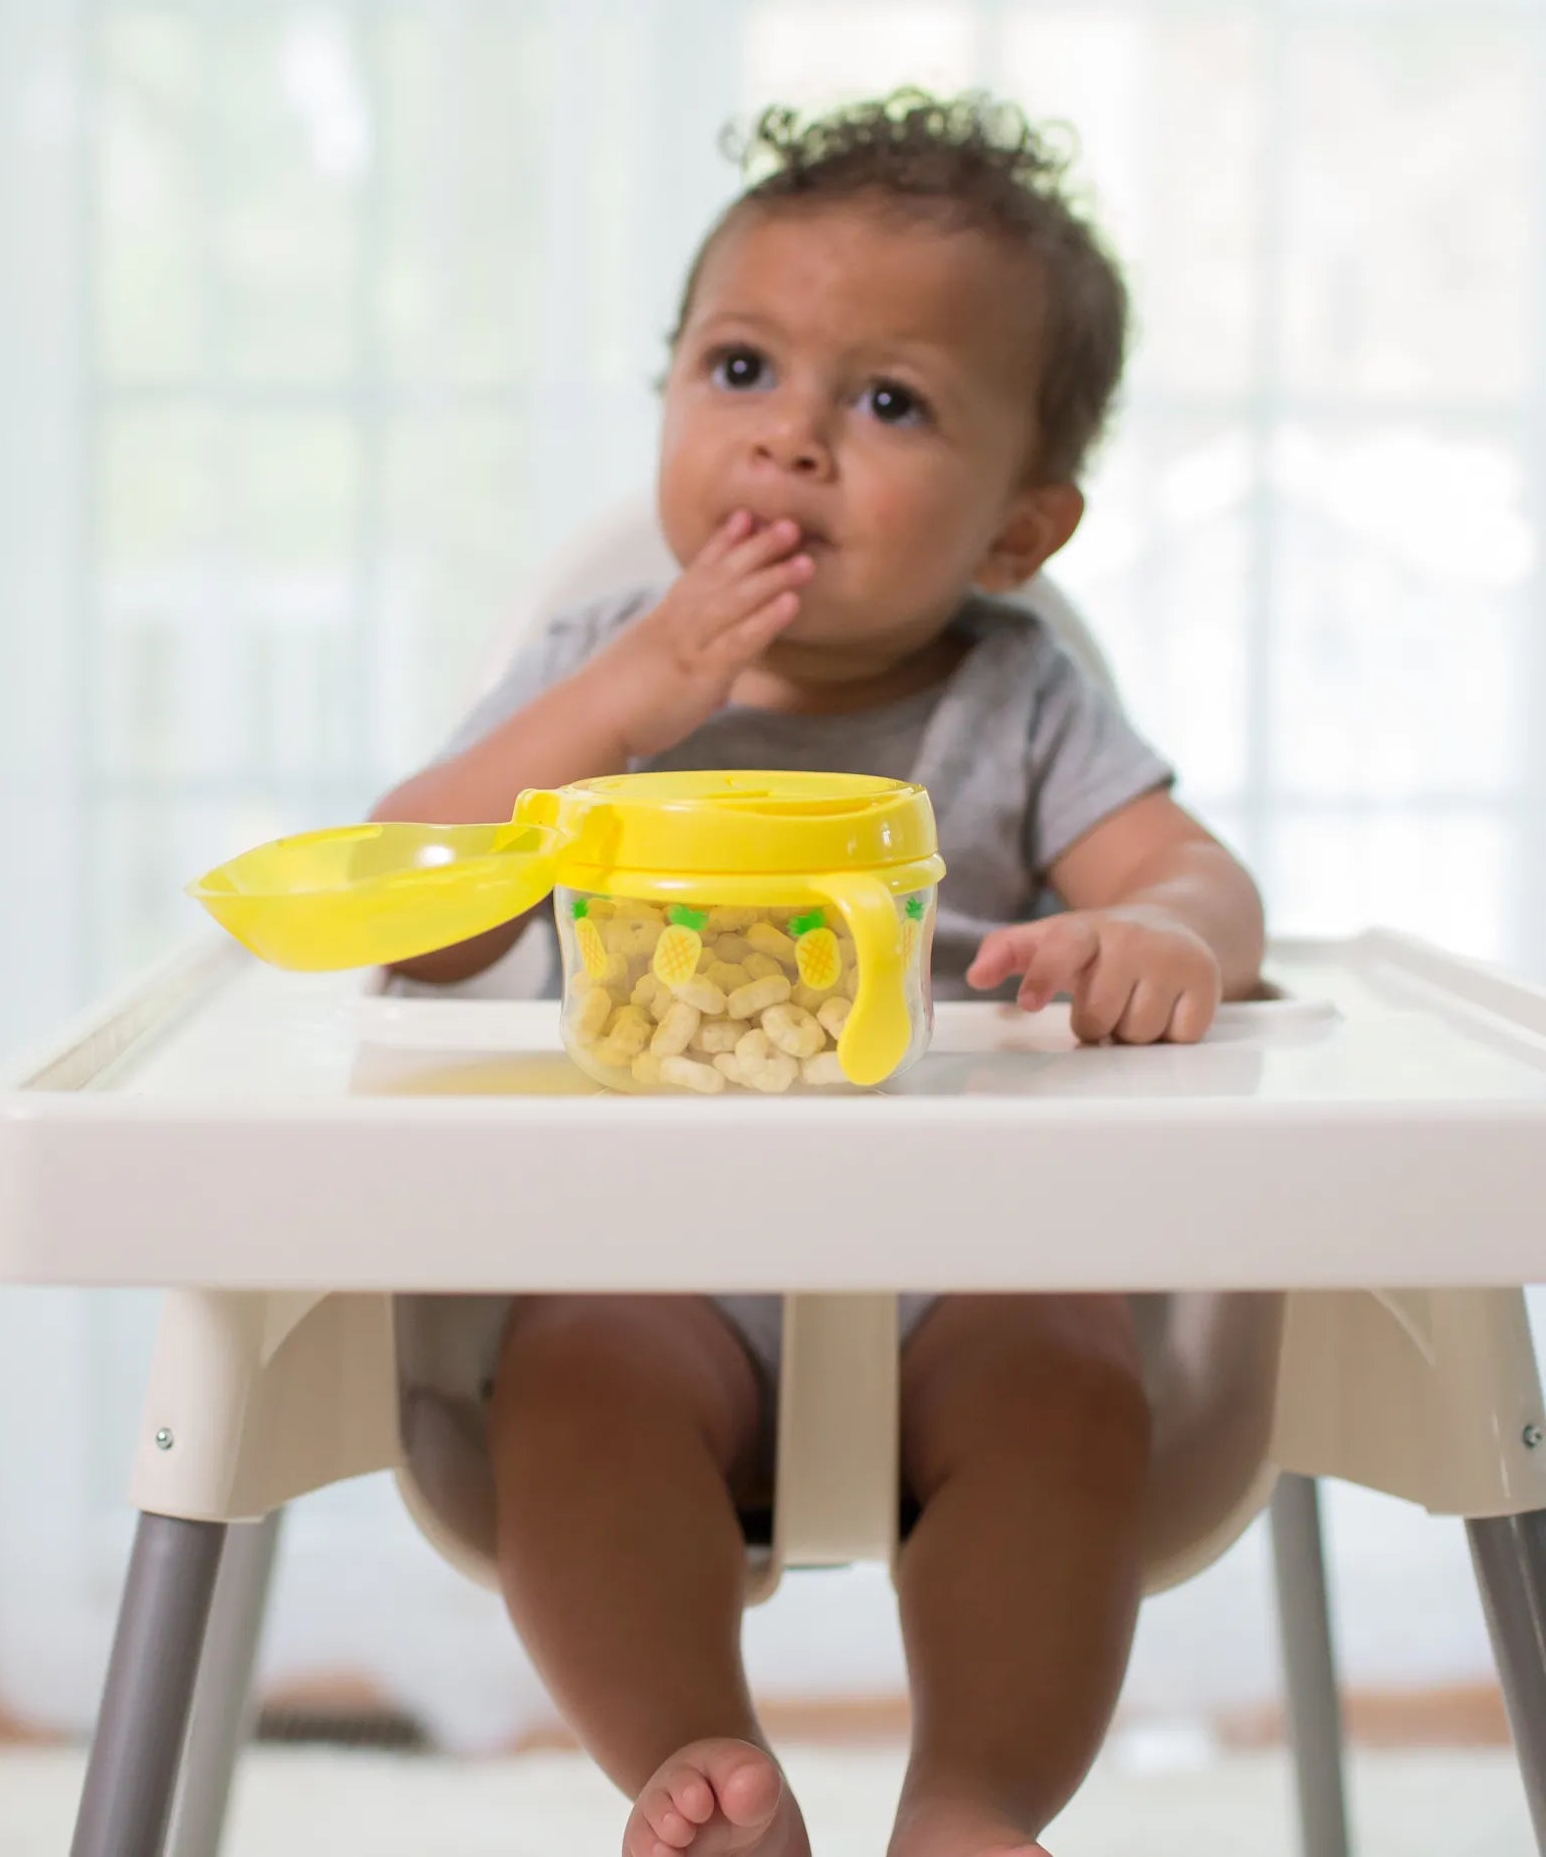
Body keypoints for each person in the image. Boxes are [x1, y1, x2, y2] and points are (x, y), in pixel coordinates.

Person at [374, 89, 1266, 1857]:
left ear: (1018, 531)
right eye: (739, 373)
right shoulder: (588, 675)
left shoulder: (1020, 701)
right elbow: (416, 906)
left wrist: (1158, 936)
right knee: (574, 1396)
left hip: (971, 1262)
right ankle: (699, 1768)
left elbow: (1196, 873)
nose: (789, 443)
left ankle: (975, 1802)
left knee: (1072, 1396)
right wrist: (614, 714)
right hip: (659, 1260)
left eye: (886, 402)